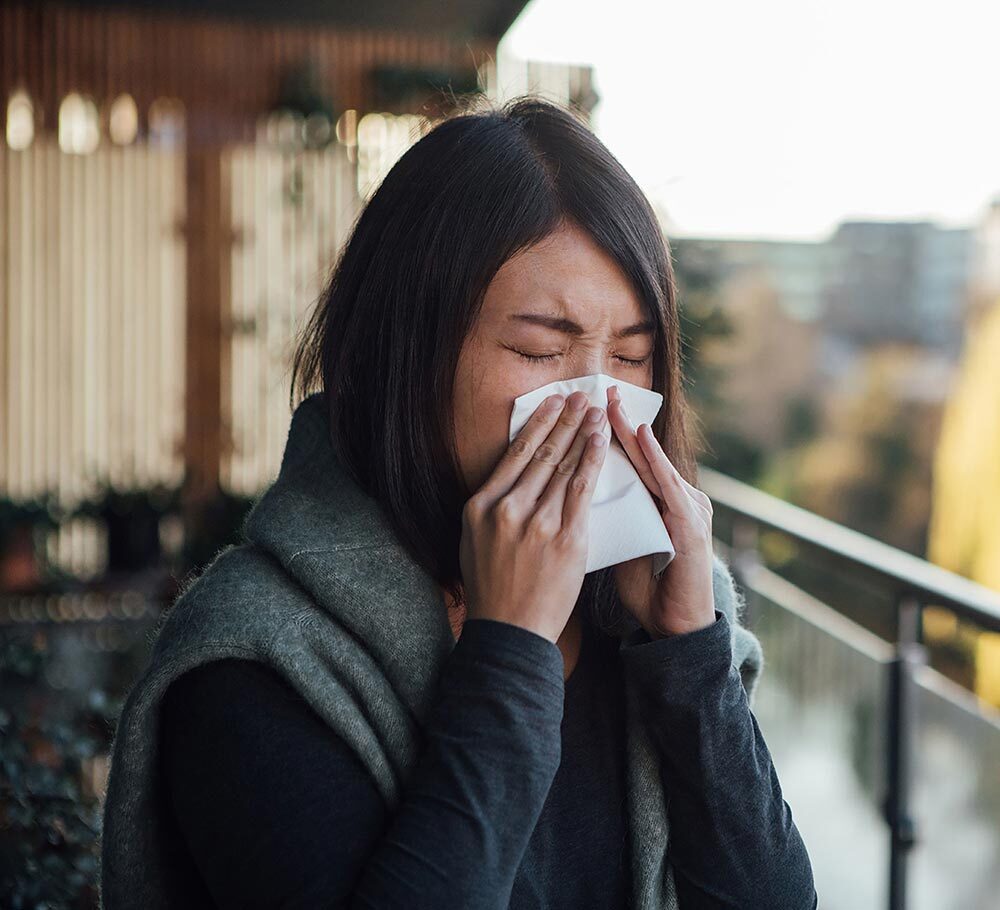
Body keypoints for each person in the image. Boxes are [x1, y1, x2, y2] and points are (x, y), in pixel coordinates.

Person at [100, 94, 817, 909]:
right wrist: (508, 648)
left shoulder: (657, 609)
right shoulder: (258, 659)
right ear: (407, 351)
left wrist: (692, 658)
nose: (596, 407)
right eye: (540, 350)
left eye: (631, 356)